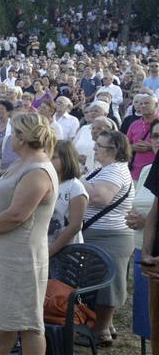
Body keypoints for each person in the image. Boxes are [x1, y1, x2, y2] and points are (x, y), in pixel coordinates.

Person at [0, 113, 58, 355]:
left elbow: (17, 215)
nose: (9, 137)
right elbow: (1, 203)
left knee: (27, 324)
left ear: (23, 137)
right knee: (5, 322)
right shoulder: (21, 164)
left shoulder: (38, 171)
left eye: (13, 132)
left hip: (22, 259)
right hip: (6, 255)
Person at [80, 130, 135, 346]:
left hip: (109, 236)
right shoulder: (109, 169)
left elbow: (99, 198)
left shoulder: (113, 172)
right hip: (103, 235)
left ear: (113, 150)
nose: (95, 149)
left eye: (99, 146)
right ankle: (105, 325)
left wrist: (74, 176)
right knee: (102, 281)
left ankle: (101, 331)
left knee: (107, 285)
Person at [125, 121, 159, 347]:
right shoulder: (152, 167)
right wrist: (146, 255)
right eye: (155, 136)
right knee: (153, 325)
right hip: (152, 260)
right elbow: (156, 209)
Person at [47, 140, 88, 256]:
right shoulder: (47, 182)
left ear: (67, 159)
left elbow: (75, 225)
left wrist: (50, 252)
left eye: (54, 157)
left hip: (67, 250)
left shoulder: (75, 187)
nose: (49, 161)